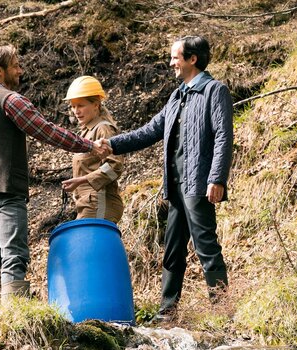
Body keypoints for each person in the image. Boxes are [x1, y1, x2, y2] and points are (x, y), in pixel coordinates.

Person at [0, 45, 110, 313]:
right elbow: (46, 131)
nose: (20, 70)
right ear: (0, 70)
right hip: (6, 191)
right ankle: (14, 321)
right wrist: (88, 146)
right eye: (15, 65)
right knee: (14, 256)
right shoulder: (10, 100)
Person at [100, 36, 233, 322]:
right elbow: (149, 131)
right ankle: (166, 312)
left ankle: (223, 312)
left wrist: (217, 178)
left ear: (192, 59)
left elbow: (223, 137)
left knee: (206, 246)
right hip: (175, 187)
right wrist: (112, 144)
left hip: (199, 184)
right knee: (172, 250)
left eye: (175, 57)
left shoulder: (215, 91)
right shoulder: (177, 96)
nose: (171, 62)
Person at [61, 76, 125, 223]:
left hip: (100, 202)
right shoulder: (87, 132)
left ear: (96, 105)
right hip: (88, 204)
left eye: (80, 105)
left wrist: (82, 180)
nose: (76, 111)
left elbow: (115, 166)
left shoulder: (104, 129)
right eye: (73, 106)